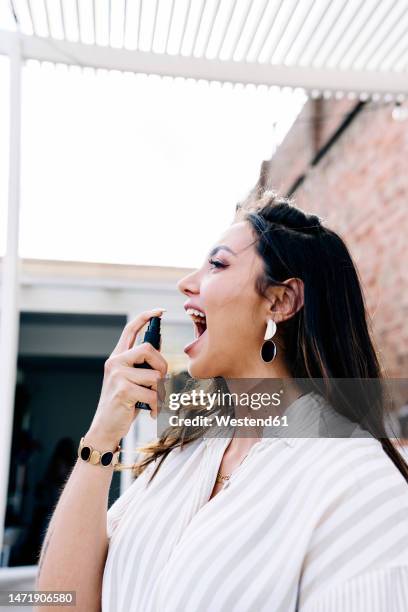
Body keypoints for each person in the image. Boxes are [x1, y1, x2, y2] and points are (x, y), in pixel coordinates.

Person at [36, 190, 408, 611]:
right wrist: (101, 437)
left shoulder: (359, 486)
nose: (186, 283)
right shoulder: (181, 457)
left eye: (217, 264)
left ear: (280, 301)